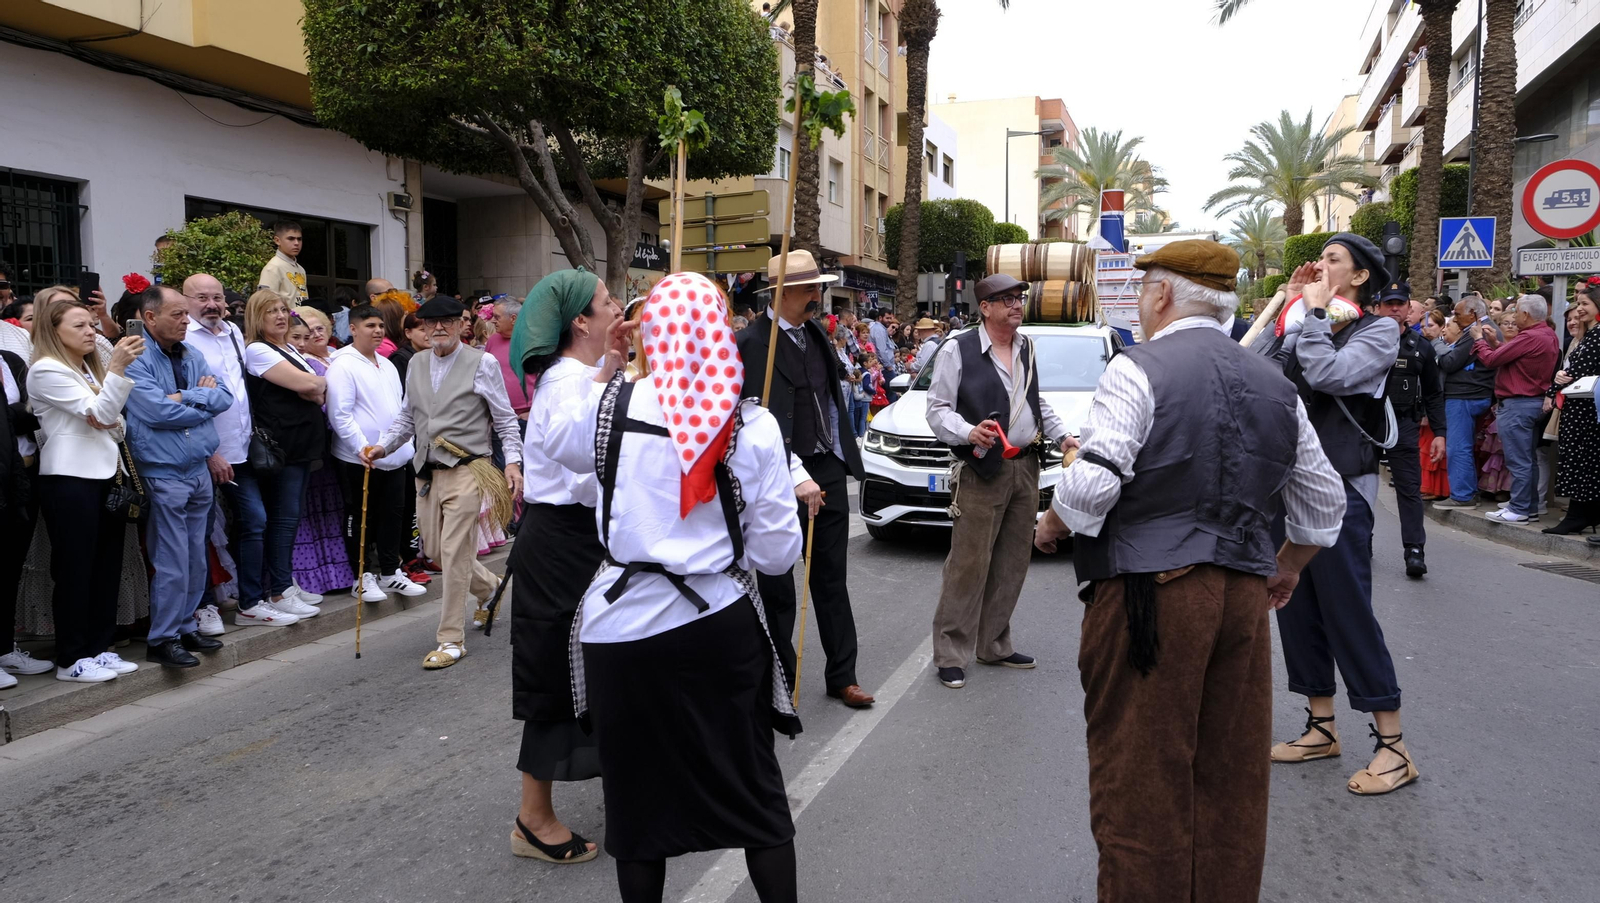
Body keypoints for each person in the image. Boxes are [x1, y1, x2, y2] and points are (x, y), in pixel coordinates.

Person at [1033, 240, 1345, 903]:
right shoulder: (1275, 386)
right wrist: (1285, 568)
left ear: (1163, 294)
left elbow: (1093, 485)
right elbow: (1324, 505)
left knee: (1141, 789)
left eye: (1144, 289)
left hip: (1151, 598)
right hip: (1240, 598)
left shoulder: (1138, 368)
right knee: (1229, 785)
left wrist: (1053, 524)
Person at [545, 271, 805, 903]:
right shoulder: (754, 426)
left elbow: (552, 442)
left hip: (622, 633)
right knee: (755, 796)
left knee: (638, 814)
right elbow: (776, 558)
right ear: (721, 333)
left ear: (648, 334)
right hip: (718, 623)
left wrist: (610, 367)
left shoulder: (609, 409)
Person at [1265, 233, 1420, 796]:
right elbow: (1263, 376)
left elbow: (1329, 376)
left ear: (1359, 278)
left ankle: (1394, 746)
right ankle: (1321, 725)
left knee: (1347, 608)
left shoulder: (1378, 330)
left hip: (1342, 489)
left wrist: (1309, 316)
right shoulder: (1306, 319)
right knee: (1295, 606)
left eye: (1332, 261)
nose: (1318, 267)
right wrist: (1288, 304)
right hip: (1289, 485)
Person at [497, 269, 619, 865]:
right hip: (560, 541)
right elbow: (582, 456)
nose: (616, 306)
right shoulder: (568, 381)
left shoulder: (587, 377)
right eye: (605, 301)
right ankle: (532, 818)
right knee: (555, 673)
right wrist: (610, 374)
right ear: (581, 321)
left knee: (608, 668)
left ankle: (629, 791)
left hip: (586, 540)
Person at [736, 250, 875, 709]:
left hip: (828, 467)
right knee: (778, 584)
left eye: (818, 286)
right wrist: (788, 470)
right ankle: (782, 679)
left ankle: (843, 676)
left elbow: (830, 397)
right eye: (810, 287)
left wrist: (840, 451)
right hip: (777, 476)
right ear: (783, 293)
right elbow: (748, 417)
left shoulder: (817, 331)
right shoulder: (752, 344)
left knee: (831, 580)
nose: (818, 294)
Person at [924, 274, 1075, 689]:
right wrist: (969, 431)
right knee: (968, 565)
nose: (1015, 305)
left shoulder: (1026, 346)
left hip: (1026, 466)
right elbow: (936, 410)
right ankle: (951, 653)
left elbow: (1035, 399)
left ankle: (993, 643)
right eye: (1005, 299)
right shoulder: (958, 348)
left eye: (1018, 298)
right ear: (985, 308)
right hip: (980, 470)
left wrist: (1063, 436)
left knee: (1012, 562)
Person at [364, 295, 523, 669]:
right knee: (434, 551)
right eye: (430, 323)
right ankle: (490, 589)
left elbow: (503, 419)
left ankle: (451, 639)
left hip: (470, 469)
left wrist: (513, 463)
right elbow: (407, 418)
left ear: (462, 325)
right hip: (426, 472)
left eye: (448, 321)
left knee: (453, 554)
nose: (439, 328)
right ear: (421, 327)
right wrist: (382, 446)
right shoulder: (416, 363)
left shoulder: (481, 363)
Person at [27, 290, 146, 682]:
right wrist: (117, 371)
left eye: (92, 324)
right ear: (54, 330)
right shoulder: (46, 369)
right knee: (76, 569)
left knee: (106, 566)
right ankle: (71, 658)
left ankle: (98, 647)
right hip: (68, 479)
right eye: (78, 326)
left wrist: (107, 387)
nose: (91, 332)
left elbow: (116, 424)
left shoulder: (89, 370)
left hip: (105, 477)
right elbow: (100, 413)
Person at [123, 284, 235, 668]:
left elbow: (225, 397)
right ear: (150, 317)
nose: (187, 321)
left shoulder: (192, 353)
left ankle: (186, 625)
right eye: (178, 314)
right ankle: (163, 637)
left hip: (197, 468)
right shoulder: (136, 358)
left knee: (196, 557)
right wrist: (198, 398)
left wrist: (185, 397)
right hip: (163, 471)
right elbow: (157, 413)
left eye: (186, 314)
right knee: (171, 558)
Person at [181, 274, 294, 630]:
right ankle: (202, 607)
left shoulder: (232, 333)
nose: (212, 304)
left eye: (217, 297)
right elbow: (186, 401)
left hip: (240, 450)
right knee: (198, 531)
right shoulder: (182, 337)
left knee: (254, 521)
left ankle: (249, 603)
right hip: (202, 452)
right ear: (186, 301)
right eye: (202, 298)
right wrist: (208, 452)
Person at [242, 290, 327, 621]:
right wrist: (313, 385)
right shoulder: (258, 350)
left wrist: (313, 386)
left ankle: (285, 581)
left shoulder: (287, 348)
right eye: (270, 312)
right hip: (282, 446)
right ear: (256, 318)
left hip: (301, 444)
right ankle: (279, 589)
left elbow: (317, 390)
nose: (280, 316)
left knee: (290, 517)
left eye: (282, 310)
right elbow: (310, 383)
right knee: (283, 517)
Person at [326, 305, 421, 602]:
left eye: (380, 325)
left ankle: (391, 571)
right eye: (370, 325)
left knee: (394, 514)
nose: (378, 331)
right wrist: (360, 446)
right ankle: (361, 575)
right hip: (360, 457)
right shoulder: (343, 364)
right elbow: (340, 414)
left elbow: (401, 407)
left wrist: (403, 443)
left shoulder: (387, 363)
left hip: (393, 454)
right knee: (361, 515)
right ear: (353, 328)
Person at [1375, 282, 1446, 577]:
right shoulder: (1364, 341)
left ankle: (1414, 550)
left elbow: (1433, 393)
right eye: (1388, 303)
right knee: (1360, 487)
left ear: (1408, 309)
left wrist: (1440, 433)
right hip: (1368, 424)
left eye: (1399, 304)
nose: (1394, 308)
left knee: (1409, 490)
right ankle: (1360, 541)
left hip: (1404, 424)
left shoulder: (1421, 349)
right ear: (1378, 307)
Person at [1471, 294, 1560, 524]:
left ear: (1526, 315)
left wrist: (1480, 340)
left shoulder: (1529, 336)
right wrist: (1495, 344)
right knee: (1527, 459)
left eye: (1518, 310)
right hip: (1533, 402)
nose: (1514, 314)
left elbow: (1491, 361)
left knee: (1518, 460)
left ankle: (1519, 508)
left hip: (1518, 404)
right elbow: (1513, 357)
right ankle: (1529, 506)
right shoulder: (1547, 334)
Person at [0, 337, 49, 687]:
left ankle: (5, 650)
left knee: (9, 568)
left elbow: (34, 413)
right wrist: (20, 415)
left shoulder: (8, 360)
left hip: (19, 477)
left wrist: (19, 415)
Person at [1544, 288, 1600, 534]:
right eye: (1578, 303)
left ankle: (1579, 515)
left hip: (1587, 410)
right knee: (1581, 462)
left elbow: (1579, 370)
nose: (1579, 308)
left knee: (1583, 462)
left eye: (1585, 303)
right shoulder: (1591, 334)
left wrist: (1559, 381)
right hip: (1579, 408)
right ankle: (1582, 513)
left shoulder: (1597, 336)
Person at [1435, 296, 1497, 510]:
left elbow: (1451, 362)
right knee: (1464, 446)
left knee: (1458, 447)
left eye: (1458, 314)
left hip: (1465, 395)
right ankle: (1467, 492)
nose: (1454, 318)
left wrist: (1437, 344)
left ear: (1473, 313)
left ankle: (1462, 495)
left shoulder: (1477, 332)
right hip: (1473, 393)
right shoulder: (1484, 328)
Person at [485, 296, 532, 427]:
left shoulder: (533, 341)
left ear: (513, 319)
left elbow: (546, 378)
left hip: (527, 419)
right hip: (498, 417)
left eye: (497, 317)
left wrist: (534, 412)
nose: (492, 321)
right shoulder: (493, 340)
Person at [258, 220, 309, 303]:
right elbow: (266, 303)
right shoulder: (273, 267)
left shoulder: (301, 269)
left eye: (299, 239)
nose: (296, 243)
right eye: (291, 239)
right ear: (277, 240)